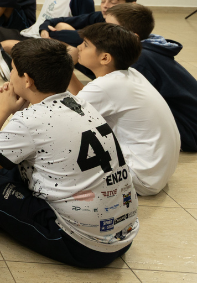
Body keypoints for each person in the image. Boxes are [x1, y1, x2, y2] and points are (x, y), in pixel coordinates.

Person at [0, 38, 138, 268]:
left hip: (81, 245)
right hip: (123, 235)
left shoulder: (29, 121)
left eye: (14, 71)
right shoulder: (81, 104)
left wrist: (2, 111)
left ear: (27, 80)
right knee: (6, 163)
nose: (11, 76)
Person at [66, 23, 179, 195]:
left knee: (60, 146)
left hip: (139, 178)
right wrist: (67, 70)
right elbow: (85, 100)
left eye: (86, 45)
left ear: (105, 58)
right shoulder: (129, 74)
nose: (79, 48)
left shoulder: (105, 86)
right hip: (156, 172)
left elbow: (61, 119)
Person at [104, 3, 197, 152]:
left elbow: (121, 99)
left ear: (133, 36)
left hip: (190, 131)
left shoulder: (140, 59)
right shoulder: (146, 49)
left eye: (111, 28)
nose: (104, 32)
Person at [39, 0, 139, 48]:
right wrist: (44, 28)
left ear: (131, 4)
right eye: (103, 1)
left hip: (110, 66)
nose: (105, 6)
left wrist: (51, 35)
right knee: (61, 25)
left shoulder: (129, 26)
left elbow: (84, 38)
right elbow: (62, 20)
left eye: (113, 2)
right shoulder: (100, 16)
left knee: (69, 46)